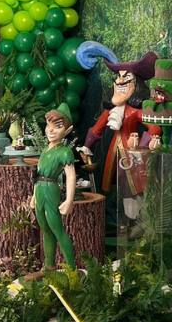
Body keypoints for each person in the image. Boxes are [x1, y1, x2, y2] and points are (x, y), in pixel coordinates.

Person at [82, 52, 162, 202]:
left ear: (136, 84)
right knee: (110, 184)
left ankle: (131, 212)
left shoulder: (135, 112)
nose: (119, 81)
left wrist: (143, 145)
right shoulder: (110, 111)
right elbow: (96, 129)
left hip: (131, 153)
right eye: (118, 77)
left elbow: (154, 128)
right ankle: (113, 209)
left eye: (126, 78)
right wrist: (86, 147)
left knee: (132, 187)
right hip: (112, 152)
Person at [31, 103, 77, 271]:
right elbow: (37, 174)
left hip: (51, 190)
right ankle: (48, 266)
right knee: (45, 229)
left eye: (57, 126)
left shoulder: (64, 152)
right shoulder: (45, 150)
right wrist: (34, 196)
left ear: (67, 130)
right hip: (40, 191)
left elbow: (71, 176)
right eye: (48, 125)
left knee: (57, 229)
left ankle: (72, 270)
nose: (51, 130)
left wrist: (69, 200)